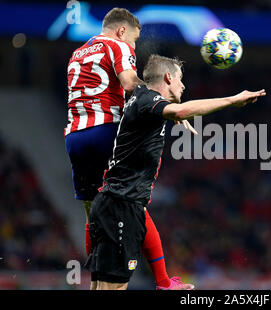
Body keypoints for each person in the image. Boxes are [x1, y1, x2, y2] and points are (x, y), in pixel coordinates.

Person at [86, 54, 266, 290]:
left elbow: (170, 111)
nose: (183, 85)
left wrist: (163, 282)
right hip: (119, 207)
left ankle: (164, 283)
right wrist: (232, 100)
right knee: (112, 288)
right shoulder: (147, 100)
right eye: (180, 79)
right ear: (168, 77)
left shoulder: (142, 98)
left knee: (102, 286)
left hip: (116, 205)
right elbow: (179, 111)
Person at [65, 8, 193, 290]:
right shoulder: (118, 45)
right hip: (106, 131)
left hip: (74, 136)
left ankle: (97, 280)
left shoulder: (77, 54)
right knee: (132, 203)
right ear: (122, 31)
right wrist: (164, 106)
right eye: (134, 40)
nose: (133, 46)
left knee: (94, 212)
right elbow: (129, 83)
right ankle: (162, 281)